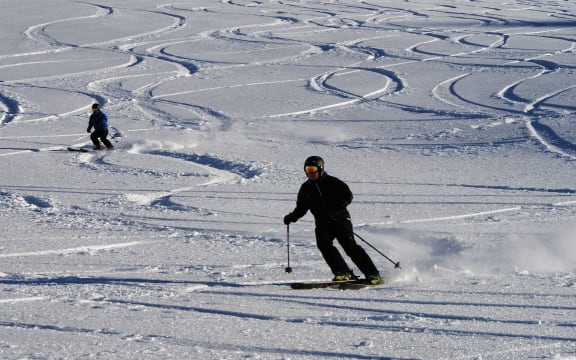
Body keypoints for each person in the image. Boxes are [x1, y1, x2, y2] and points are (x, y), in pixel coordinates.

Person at [283, 156, 383, 285]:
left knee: (350, 247)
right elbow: (302, 207)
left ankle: (373, 274)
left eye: (313, 169)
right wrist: (292, 217)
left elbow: (348, 196)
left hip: (340, 220)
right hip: (322, 223)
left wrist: (335, 210)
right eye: (308, 170)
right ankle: (343, 272)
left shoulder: (333, 182)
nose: (310, 173)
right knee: (324, 245)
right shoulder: (306, 188)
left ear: (320, 169)